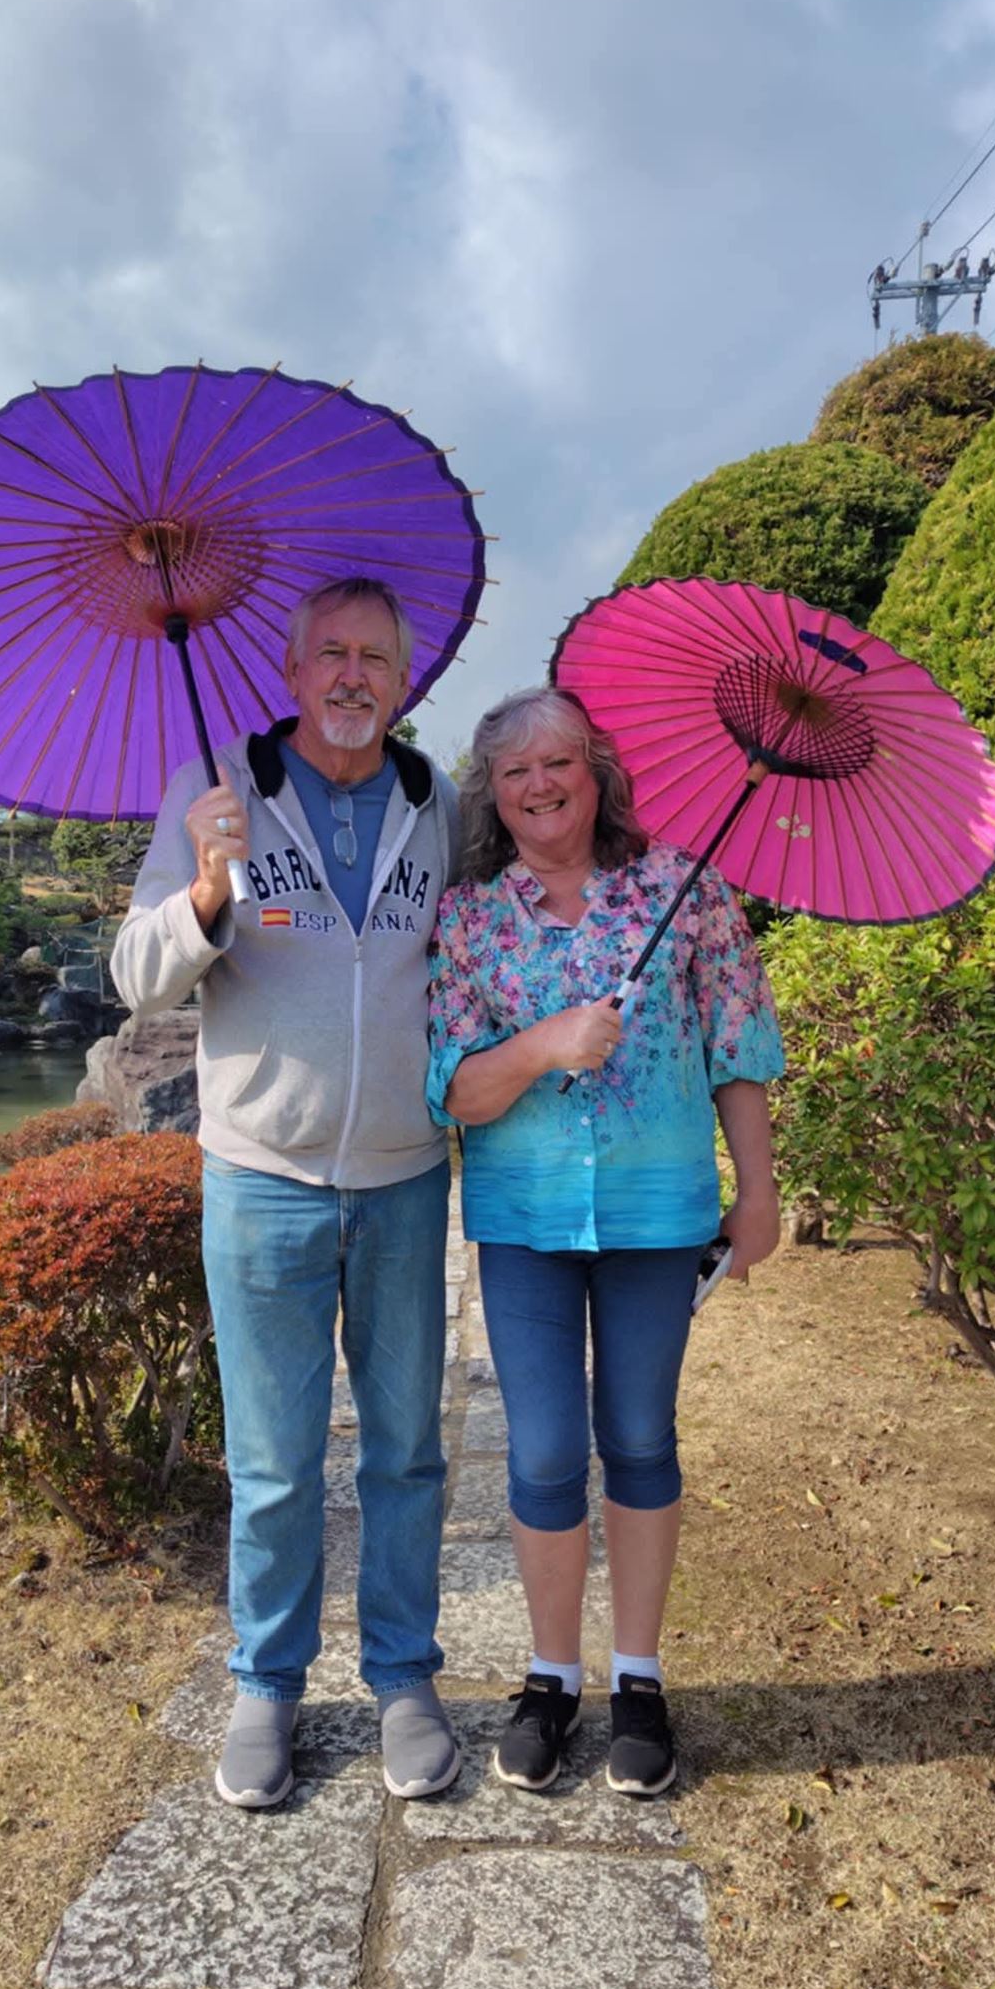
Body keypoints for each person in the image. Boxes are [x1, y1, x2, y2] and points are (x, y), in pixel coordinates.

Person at [111, 576, 462, 1809]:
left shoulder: (437, 802)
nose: (354, 676)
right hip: (261, 1179)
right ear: (291, 668)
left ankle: (406, 1677)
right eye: (331, 655)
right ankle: (267, 1683)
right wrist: (208, 891)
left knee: (410, 1450)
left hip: (408, 1178)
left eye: (376, 655)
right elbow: (136, 972)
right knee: (271, 1462)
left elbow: (464, 955)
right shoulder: (215, 793)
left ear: (401, 677)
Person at [426, 687, 784, 1796]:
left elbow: (739, 1045)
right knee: (539, 1452)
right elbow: (456, 1091)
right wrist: (545, 1041)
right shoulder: (472, 918)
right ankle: (548, 1676)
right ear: (495, 792)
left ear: (598, 770)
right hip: (525, 1224)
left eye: (560, 761)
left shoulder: (687, 891)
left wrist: (759, 1189)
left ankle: (636, 1675)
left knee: (638, 1435)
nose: (541, 785)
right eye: (516, 770)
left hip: (655, 1216)